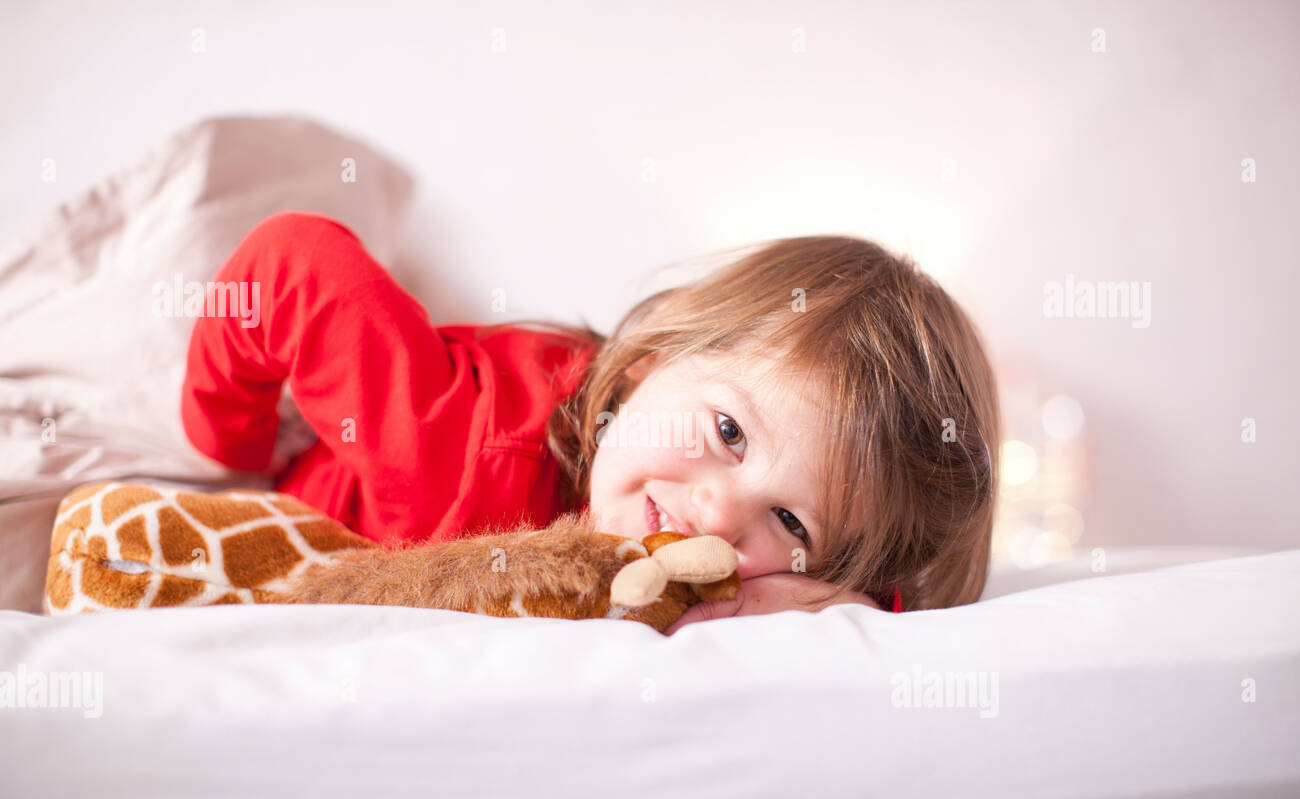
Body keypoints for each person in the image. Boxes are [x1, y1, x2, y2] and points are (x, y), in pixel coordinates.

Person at [181, 212, 1000, 629]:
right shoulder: (455, 436)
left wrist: (815, 604)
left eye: (788, 518)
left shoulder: (721, 585)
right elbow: (288, 262)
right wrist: (234, 447)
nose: (718, 512)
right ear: (651, 358)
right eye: (728, 434)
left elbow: (898, 589)